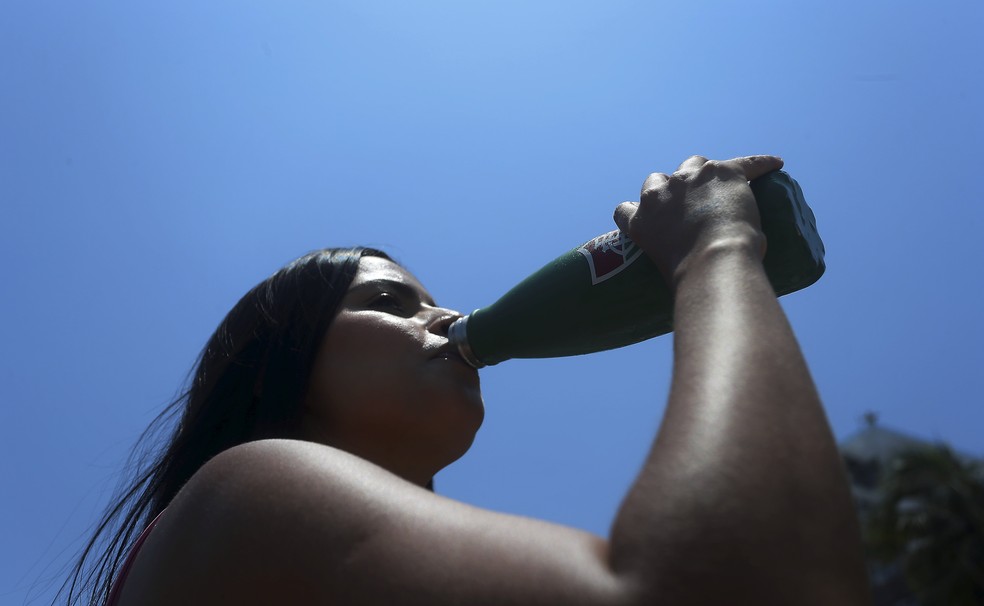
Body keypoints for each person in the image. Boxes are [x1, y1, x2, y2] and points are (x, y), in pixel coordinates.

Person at [62, 154, 871, 605]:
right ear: (286, 366)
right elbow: (737, 588)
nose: (445, 317)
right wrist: (716, 252)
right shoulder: (249, 488)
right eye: (389, 302)